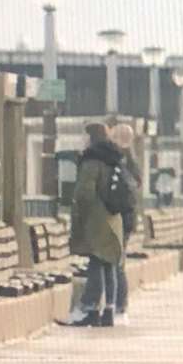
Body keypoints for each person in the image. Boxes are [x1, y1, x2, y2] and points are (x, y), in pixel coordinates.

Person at [64, 122, 129, 328]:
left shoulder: (92, 160)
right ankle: (109, 309)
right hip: (114, 218)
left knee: (95, 264)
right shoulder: (115, 158)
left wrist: (78, 213)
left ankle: (91, 309)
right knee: (110, 265)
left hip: (96, 219)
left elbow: (84, 192)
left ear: (91, 138)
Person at [109, 123, 144, 326]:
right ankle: (121, 307)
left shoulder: (113, 161)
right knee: (119, 263)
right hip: (128, 218)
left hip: (114, 217)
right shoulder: (132, 163)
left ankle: (115, 305)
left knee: (113, 264)